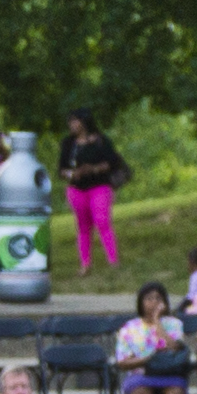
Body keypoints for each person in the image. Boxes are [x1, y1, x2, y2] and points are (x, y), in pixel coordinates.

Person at [57, 109, 131, 276]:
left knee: (102, 221)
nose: (72, 125)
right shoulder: (69, 144)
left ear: (84, 122)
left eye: (75, 121)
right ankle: (85, 264)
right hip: (77, 188)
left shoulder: (100, 140)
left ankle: (113, 261)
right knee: (83, 226)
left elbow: (112, 162)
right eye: (70, 121)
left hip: (99, 186)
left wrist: (94, 168)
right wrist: (73, 174)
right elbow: (61, 169)